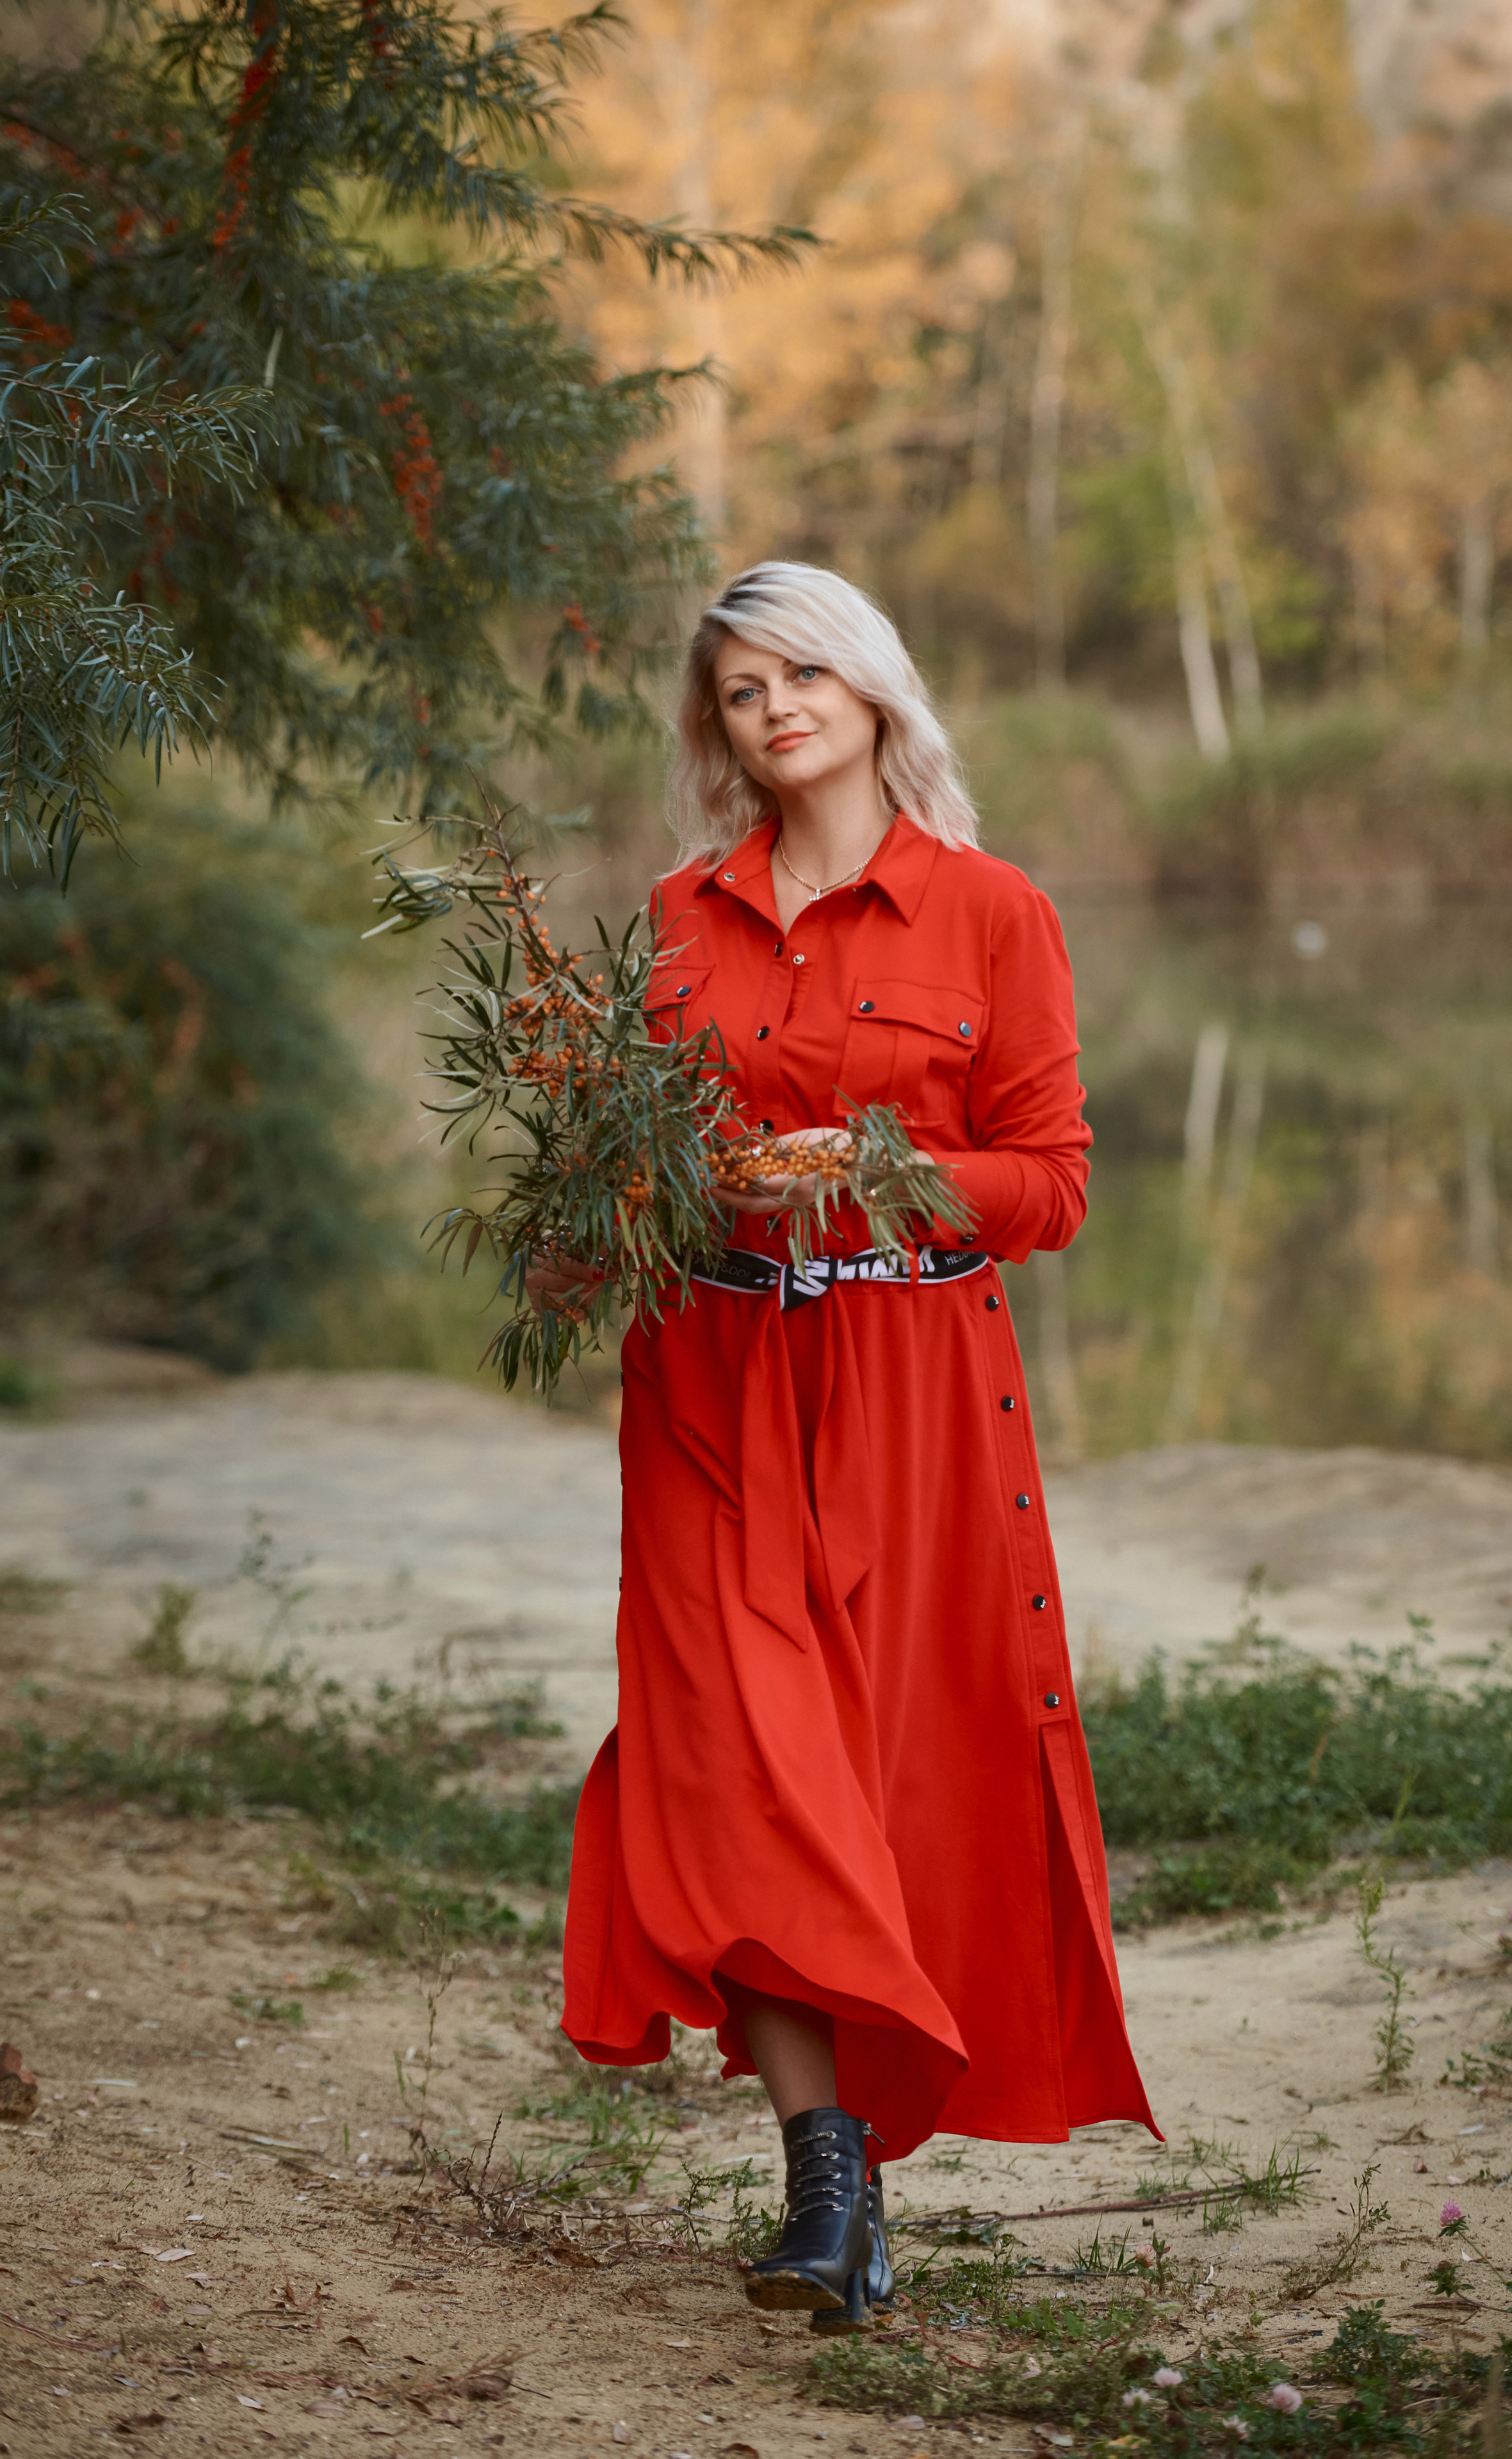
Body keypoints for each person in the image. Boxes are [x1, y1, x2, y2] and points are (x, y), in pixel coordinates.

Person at [533, 562, 1158, 2327]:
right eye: (739, 690)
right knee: (745, 1761)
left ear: (877, 687)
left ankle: (852, 2198)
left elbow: (1054, 1183)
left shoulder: (992, 913)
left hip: (913, 1380)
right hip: (712, 1375)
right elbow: (613, 1167)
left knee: (880, 1777)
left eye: (804, 670)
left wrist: (875, 1170)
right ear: (714, 732)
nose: (777, 705)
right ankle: (825, 2186)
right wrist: (580, 1216)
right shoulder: (668, 918)